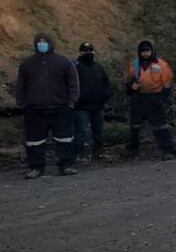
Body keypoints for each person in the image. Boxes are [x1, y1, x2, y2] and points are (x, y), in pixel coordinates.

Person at [15, 33, 80, 179]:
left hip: (60, 108)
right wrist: (22, 104)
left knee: (65, 139)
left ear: (51, 43)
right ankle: (36, 168)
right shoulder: (27, 64)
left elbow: (73, 83)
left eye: (44, 41)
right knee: (34, 141)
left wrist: (71, 103)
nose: (41, 44)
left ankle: (66, 165)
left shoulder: (63, 62)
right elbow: (20, 86)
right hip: (34, 110)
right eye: (39, 42)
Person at [127, 40, 176, 159]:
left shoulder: (161, 64)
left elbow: (167, 83)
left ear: (152, 51)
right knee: (135, 126)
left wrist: (162, 99)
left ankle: (168, 151)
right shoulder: (134, 64)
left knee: (160, 126)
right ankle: (133, 151)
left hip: (155, 97)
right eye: (143, 51)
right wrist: (131, 87)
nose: (145, 53)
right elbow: (128, 82)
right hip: (138, 98)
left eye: (147, 51)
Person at [73, 41, 111, 161]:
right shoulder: (75, 67)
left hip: (98, 105)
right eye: (85, 50)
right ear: (80, 52)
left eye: (90, 50)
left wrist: (106, 95)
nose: (88, 53)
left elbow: (106, 82)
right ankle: (78, 154)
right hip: (81, 106)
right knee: (80, 132)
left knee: (98, 132)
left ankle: (98, 153)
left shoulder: (98, 67)